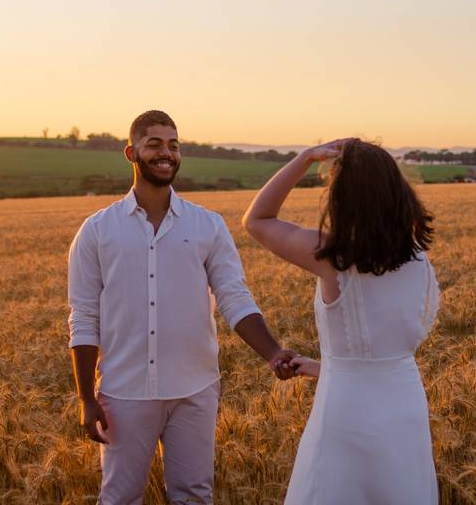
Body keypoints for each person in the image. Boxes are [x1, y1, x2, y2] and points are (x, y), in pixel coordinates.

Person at [68, 110, 297, 505]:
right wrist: (87, 398)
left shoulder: (207, 225)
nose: (166, 153)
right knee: (120, 497)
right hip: (125, 392)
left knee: (194, 495)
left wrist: (274, 353)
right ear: (131, 152)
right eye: (154, 144)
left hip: (195, 389)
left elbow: (234, 297)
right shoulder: (97, 231)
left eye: (174, 145)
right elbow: (84, 316)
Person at [243, 138, 440, 504]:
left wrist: (303, 159)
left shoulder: (334, 256)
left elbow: (257, 219)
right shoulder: (418, 259)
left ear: (344, 197)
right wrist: (325, 367)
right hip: (406, 406)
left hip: (347, 410)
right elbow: (386, 350)